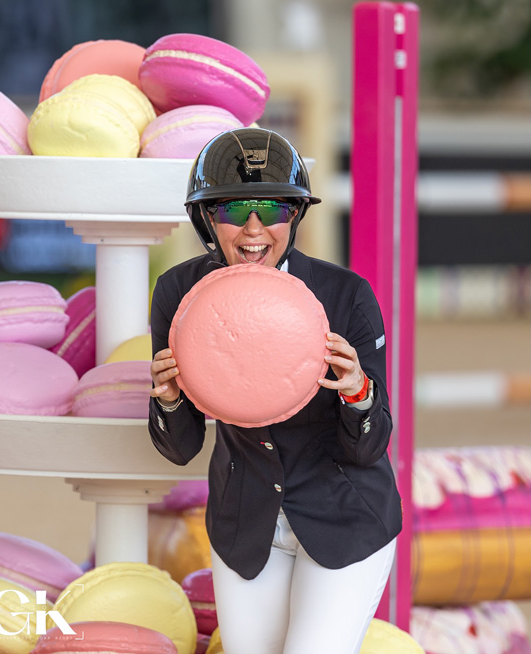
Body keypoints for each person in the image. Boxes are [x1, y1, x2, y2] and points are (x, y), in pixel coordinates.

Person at [148, 128, 402, 654]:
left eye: (273, 209)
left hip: (344, 516)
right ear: (206, 218)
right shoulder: (179, 293)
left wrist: (358, 392)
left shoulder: (346, 296)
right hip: (246, 522)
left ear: (296, 215)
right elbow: (181, 448)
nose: (253, 228)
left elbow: (370, 447)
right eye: (232, 210)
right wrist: (168, 399)